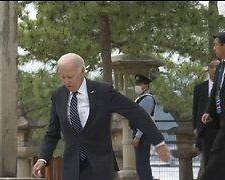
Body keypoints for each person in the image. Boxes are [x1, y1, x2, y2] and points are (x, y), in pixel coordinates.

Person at [32, 53, 171, 180]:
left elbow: (136, 112)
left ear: (82, 71)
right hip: (72, 169)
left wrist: (159, 142)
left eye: (70, 76)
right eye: (63, 77)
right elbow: (52, 133)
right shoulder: (59, 95)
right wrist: (43, 158)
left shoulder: (103, 92)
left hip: (102, 167)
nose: (67, 82)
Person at [201, 32, 225, 180]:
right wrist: (208, 111)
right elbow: (215, 91)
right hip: (219, 119)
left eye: (216, 45)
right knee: (216, 154)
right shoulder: (221, 67)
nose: (214, 48)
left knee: (216, 154)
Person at [192, 59, 220, 179]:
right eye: (211, 67)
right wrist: (195, 127)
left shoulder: (221, 88)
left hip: (219, 127)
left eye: (217, 67)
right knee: (206, 158)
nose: (214, 69)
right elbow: (195, 109)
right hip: (204, 129)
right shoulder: (200, 88)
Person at [130, 74, 157, 180]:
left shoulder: (147, 99)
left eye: (139, 84)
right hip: (139, 132)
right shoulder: (140, 98)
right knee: (140, 164)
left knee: (143, 164)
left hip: (143, 134)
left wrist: (138, 136)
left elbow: (144, 119)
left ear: (145, 86)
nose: (137, 86)